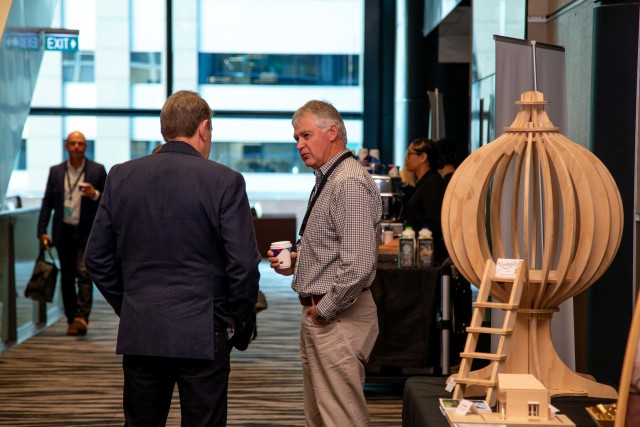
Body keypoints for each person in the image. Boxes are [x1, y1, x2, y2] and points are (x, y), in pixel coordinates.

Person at [84, 90, 260, 426]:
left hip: (142, 329)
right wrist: (233, 321)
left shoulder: (121, 176)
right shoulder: (225, 181)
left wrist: (131, 303)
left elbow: (96, 258)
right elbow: (244, 266)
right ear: (204, 128)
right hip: (204, 330)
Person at [268, 99, 382, 427]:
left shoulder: (347, 182)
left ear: (332, 132)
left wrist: (324, 311)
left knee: (342, 418)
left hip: (337, 317)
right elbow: (334, 248)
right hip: (325, 314)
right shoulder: (329, 178)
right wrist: (298, 262)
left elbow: (358, 264)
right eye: (296, 138)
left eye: (306, 136)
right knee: (320, 416)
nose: (299, 145)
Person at [37, 131, 107, 336]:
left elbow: (109, 200)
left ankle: (82, 317)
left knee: (85, 273)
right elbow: (47, 202)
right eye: (73, 143)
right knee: (67, 276)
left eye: (80, 143)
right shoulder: (56, 171)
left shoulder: (97, 170)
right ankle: (71, 317)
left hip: (87, 231)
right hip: (63, 231)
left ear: (86, 146)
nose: (76, 147)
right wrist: (42, 231)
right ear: (66, 146)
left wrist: (94, 194)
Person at [403, 137, 447, 264]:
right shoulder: (423, 183)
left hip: (430, 258)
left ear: (423, 157)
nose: (406, 158)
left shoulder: (433, 184)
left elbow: (434, 225)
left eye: (409, 154)